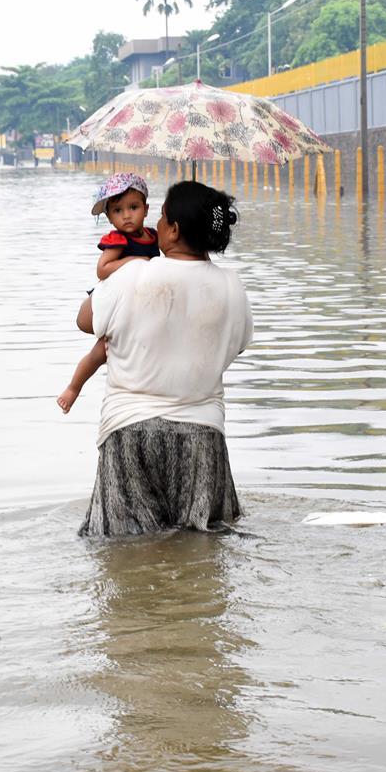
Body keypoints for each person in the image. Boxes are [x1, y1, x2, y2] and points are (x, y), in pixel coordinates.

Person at [74, 179, 254, 537]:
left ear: (172, 230)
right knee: (203, 549)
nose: (153, 224)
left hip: (130, 431)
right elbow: (237, 346)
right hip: (203, 434)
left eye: (162, 217)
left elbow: (85, 321)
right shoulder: (233, 286)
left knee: (128, 554)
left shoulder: (132, 274)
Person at [57, 173, 159, 414]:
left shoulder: (154, 236)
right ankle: (73, 388)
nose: (126, 215)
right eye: (117, 211)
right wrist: (134, 259)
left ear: (146, 209)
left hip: (140, 301)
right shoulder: (117, 240)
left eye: (133, 207)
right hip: (115, 303)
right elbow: (102, 270)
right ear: (109, 216)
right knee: (101, 351)